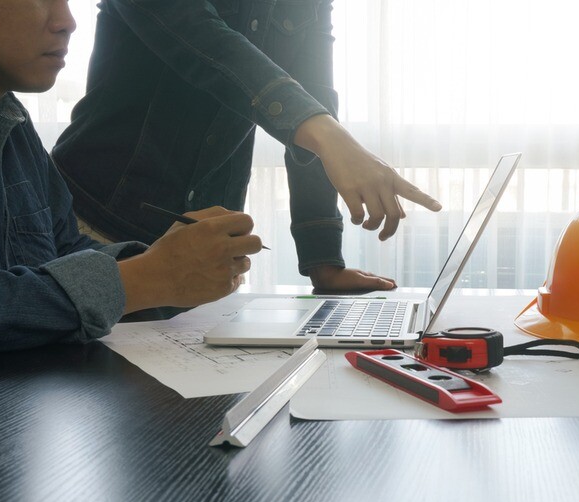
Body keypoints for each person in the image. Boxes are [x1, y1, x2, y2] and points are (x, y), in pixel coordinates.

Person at [51, 0, 442, 293]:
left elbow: (314, 99)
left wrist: (324, 262)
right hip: (94, 227)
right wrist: (330, 136)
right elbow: (207, 45)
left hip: (207, 243)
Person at [0, 0, 263, 352]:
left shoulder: (10, 121)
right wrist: (149, 278)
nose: (67, 22)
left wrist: (170, 264)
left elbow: (62, 250)